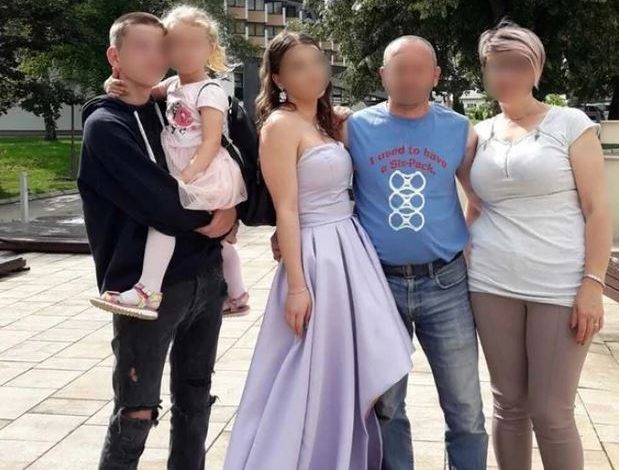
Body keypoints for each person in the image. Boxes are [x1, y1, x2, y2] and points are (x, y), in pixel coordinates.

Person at [272, 35, 488, 469]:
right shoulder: (351, 128)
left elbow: (479, 197)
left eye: (419, 70)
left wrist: (462, 241)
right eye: (399, 70)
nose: (409, 78)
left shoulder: (460, 130)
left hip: (445, 283)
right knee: (385, 404)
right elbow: (311, 174)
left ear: (436, 76)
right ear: (383, 75)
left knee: (465, 407)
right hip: (375, 281)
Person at [223, 31, 413, 470]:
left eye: (317, 62)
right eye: (299, 66)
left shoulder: (327, 122)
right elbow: (287, 210)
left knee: (349, 366)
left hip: (350, 250)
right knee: (310, 371)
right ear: (278, 79)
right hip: (315, 256)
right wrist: (297, 286)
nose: (313, 73)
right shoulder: (280, 126)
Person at [78, 12, 239, 469]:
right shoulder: (106, 125)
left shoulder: (167, 107)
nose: (156, 57)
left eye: (161, 47)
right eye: (142, 47)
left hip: (205, 278)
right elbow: (161, 204)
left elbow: (229, 130)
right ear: (115, 56)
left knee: (195, 400)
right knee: (136, 412)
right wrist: (218, 213)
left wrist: (235, 208)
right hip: (145, 291)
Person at [467, 21, 613, 470]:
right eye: (496, 65)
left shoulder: (570, 124)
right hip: (490, 282)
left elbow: (598, 209)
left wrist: (593, 284)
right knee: (508, 404)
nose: (506, 74)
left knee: (551, 412)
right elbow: (475, 205)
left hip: (559, 283)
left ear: (537, 69)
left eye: (517, 64)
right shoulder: (479, 133)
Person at [94, 5, 249, 320]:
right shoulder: (174, 86)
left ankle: (147, 290)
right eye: (175, 44)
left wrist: (187, 178)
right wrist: (111, 83)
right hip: (187, 166)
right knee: (218, 236)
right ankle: (237, 292)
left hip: (204, 169)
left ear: (210, 48)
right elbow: (145, 90)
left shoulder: (210, 91)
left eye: (194, 44)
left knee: (164, 224)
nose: (184, 51)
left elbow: (211, 142)